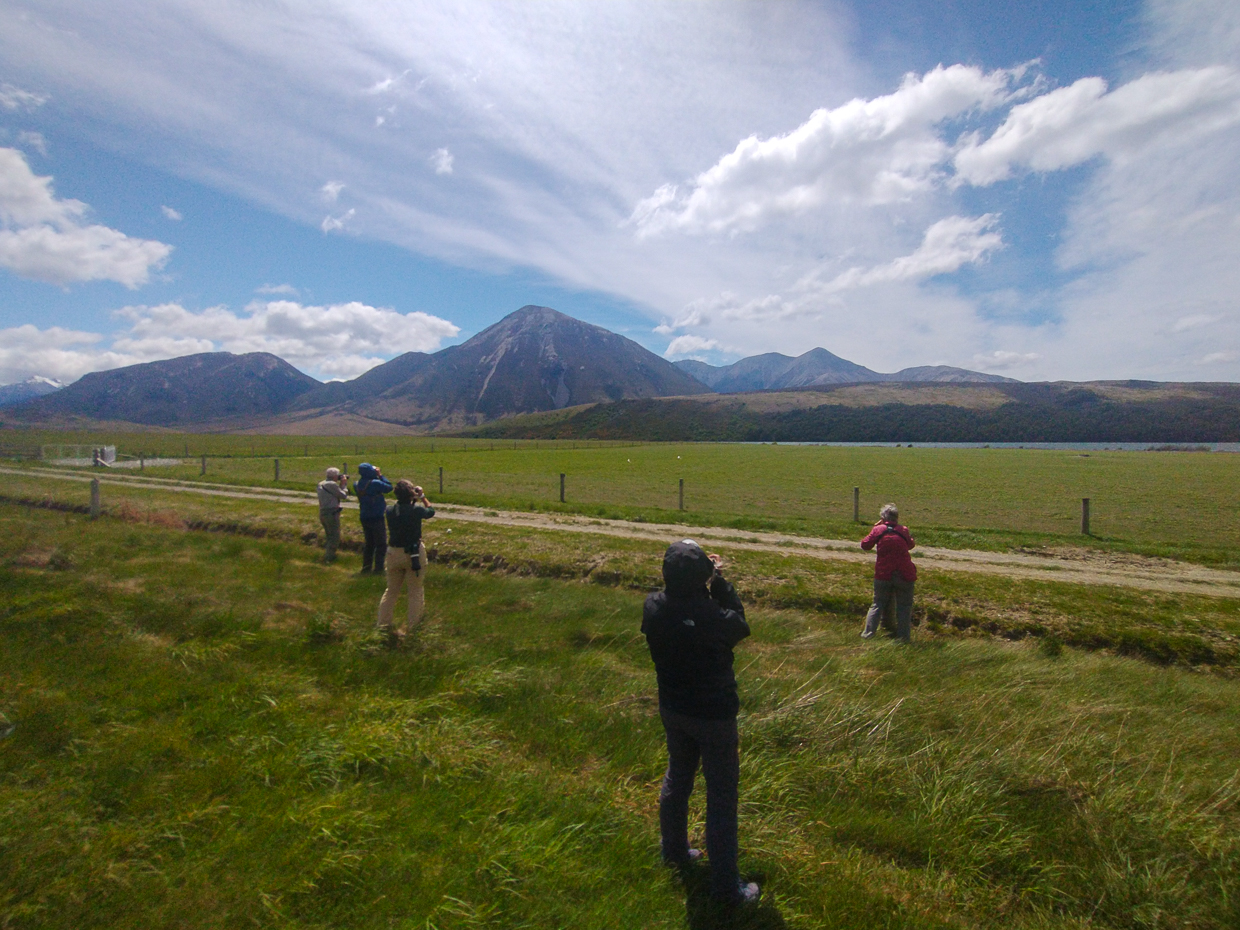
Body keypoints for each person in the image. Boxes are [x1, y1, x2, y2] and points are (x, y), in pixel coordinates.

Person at [642, 540, 760, 906]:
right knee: (721, 795)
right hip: (714, 715)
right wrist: (721, 583)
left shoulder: (653, 606)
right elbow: (739, 625)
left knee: (678, 776)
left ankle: (674, 851)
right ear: (702, 578)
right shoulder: (712, 615)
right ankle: (727, 888)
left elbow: (680, 607)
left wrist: (703, 579)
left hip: (674, 707)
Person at [376, 480, 435, 641]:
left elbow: (403, 510)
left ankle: (382, 625)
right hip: (413, 553)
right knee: (415, 591)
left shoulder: (389, 510)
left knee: (391, 591)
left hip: (393, 553)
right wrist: (422, 496)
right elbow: (430, 512)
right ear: (411, 494)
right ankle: (414, 628)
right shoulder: (415, 510)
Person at [860, 503, 917, 642]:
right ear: (897, 518)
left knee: (877, 603)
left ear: (882, 517)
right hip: (904, 574)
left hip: (883, 573)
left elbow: (865, 545)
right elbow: (910, 545)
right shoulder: (903, 530)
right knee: (904, 607)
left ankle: (868, 635)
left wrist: (875, 528)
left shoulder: (878, 529)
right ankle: (903, 638)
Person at [353, 462, 393, 574]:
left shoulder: (357, 484)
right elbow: (389, 487)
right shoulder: (375, 483)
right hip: (376, 516)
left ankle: (366, 567)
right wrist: (380, 475)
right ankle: (379, 568)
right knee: (381, 543)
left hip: (364, 516)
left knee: (369, 543)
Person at [316, 467, 350, 563]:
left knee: (329, 535)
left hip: (323, 512)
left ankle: (328, 554)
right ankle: (329, 557)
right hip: (331, 513)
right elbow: (343, 495)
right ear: (335, 476)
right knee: (334, 537)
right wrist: (343, 485)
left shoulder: (321, 484)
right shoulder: (331, 484)